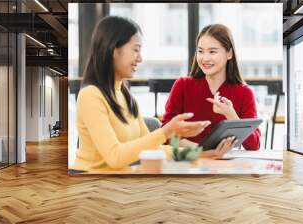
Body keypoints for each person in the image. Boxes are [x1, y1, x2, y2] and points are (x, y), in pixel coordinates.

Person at [70, 16, 210, 173]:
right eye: (136, 49)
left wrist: (197, 152)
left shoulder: (127, 97)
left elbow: (152, 149)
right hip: (92, 184)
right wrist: (166, 131)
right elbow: (115, 157)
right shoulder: (91, 95)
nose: (140, 58)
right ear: (114, 50)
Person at [162, 24, 261, 158]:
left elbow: (254, 145)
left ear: (229, 53)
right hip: (189, 161)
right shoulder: (182, 85)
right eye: (200, 51)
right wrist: (201, 151)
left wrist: (231, 116)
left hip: (226, 166)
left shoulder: (244, 92)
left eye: (212, 51)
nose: (205, 58)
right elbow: (165, 134)